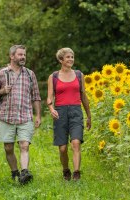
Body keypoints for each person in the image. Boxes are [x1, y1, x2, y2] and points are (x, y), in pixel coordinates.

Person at [0, 45, 41, 184]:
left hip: (25, 116)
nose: (23, 57)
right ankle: (15, 172)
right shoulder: (1, 74)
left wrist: (38, 116)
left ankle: (25, 173)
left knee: (24, 145)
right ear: (12, 56)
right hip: (6, 116)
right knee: (8, 148)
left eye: (24, 54)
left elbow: (36, 96)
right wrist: (2, 91)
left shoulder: (30, 74)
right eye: (20, 54)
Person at [46, 47, 91, 181]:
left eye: (72, 57)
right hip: (60, 113)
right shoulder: (53, 77)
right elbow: (49, 97)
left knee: (76, 143)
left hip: (76, 111)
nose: (71, 59)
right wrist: (51, 108)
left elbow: (84, 96)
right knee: (63, 149)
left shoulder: (79, 75)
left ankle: (77, 173)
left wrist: (89, 115)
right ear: (61, 60)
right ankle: (66, 169)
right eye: (68, 57)